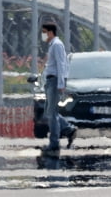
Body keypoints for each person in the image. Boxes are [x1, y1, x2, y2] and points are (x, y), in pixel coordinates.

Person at [40, 23, 77, 154]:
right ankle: (68, 129)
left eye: (44, 32)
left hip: (55, 81)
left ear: (51, 32)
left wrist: (61, 84)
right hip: (51, 81)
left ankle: (54, 143)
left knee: (52, 113)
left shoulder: (57, 45)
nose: (43, 35)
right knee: (50, 112)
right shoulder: (52, 45)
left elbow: (62, 65)